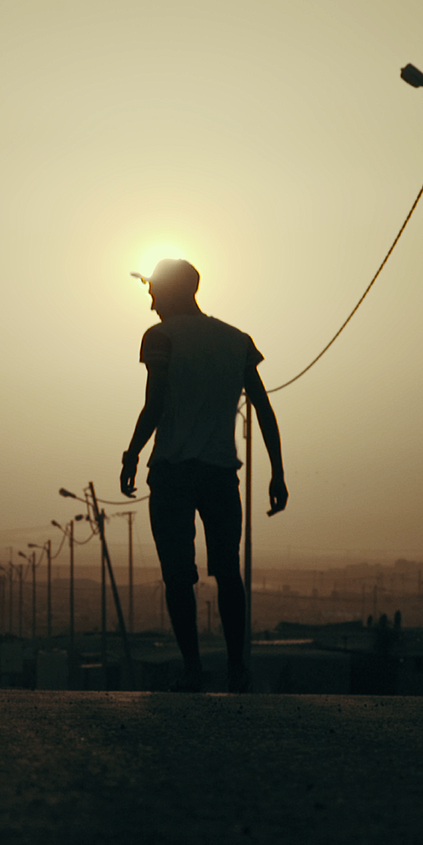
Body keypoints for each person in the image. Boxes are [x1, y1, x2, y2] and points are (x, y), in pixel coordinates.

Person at [118, 259, 286, 694]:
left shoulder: (160, 338)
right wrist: (277, 472)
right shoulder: (237, 340)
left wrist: (132, 453)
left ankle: (193, 671)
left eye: (154, 291)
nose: (150, 301)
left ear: (173, 292)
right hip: (221, 475)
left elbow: (154, 405)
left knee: (178, 576)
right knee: (228, 572)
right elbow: (264, 410)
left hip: (173, 473)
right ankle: (236, 671)